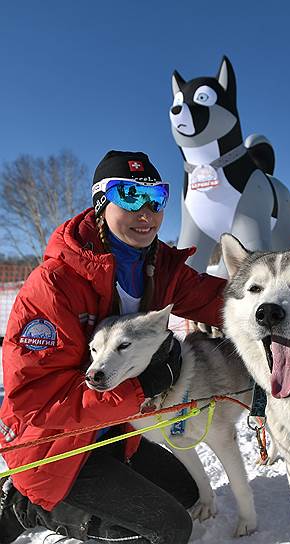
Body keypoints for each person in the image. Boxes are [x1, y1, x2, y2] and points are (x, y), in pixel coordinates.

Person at [0, 151, 226, 544]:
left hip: (110, 433)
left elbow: (227, 302)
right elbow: (35, 403)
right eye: (131, 196)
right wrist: (140, 389)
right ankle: (28, 505)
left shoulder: (158, 268)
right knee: (169, 530)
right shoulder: (54, 286)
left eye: (157, 198)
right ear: (102, 203)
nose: (147, 211)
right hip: (52, 447)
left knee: (187, 493)